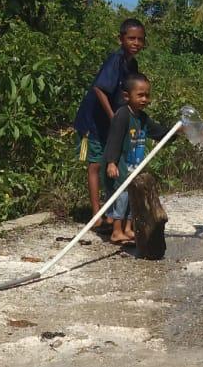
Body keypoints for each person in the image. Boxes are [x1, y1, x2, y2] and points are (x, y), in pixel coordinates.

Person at [73, 18, 146, 232]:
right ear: (121, 38)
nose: (135, 42)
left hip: (112, 123)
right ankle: (96, 215)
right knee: (95, 164)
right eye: (131, 38)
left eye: (140, 39)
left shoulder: (132, 64)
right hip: (93, 122)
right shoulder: (116, 59)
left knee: (112, 164)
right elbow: (99, 89)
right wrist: (114, 117)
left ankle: (113, 214)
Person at [102, 73, 172, 246]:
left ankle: (127, 228)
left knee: (133, 196)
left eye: (147, 95)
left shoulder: (142, 117)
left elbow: (157, 131)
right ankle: (117, 231)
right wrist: (111, 162)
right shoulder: (123, 115)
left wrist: (176, 131)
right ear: (127, 96)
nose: (144, 99)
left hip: (135, 166)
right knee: (122, 196)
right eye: (140, 95)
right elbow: (115, 139)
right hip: (120, 164)